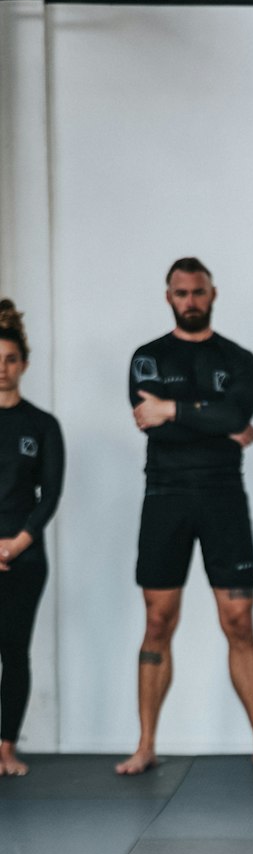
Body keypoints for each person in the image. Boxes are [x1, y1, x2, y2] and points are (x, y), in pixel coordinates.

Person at [116, 258, 253, 777]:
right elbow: (157, 427)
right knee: (157, 620)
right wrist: (213, 421)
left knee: (239, 621)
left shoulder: (238, 359)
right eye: (181, 293)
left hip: (222, 498)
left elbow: (232, 415)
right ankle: (146, 744)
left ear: (213, 293)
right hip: (165, 496)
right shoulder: (148, 357)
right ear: (167, 296)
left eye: (198, 292)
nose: (190, 300)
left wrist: (173, 410)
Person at [0, 300, 65, 776]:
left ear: (23, 364)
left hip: (24, 556)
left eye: (10, 360)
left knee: (14, 651)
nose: (2, 369)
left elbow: (51, 492)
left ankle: (5, 748)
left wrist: (16, 543)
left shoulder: (42, 425)